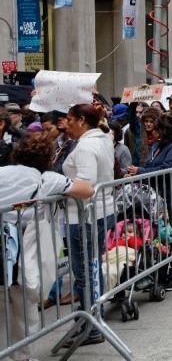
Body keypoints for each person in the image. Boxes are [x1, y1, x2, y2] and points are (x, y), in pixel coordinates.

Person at [0, 134, 95, 361]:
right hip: (22, 252)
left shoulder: (2, 172)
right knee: (25, 309)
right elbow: (87, 190)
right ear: (48, 159)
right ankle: (22, 356)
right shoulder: (47, 179)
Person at [61, 103, 116, 346]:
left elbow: (86, 185)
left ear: (81, 120)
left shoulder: (87, 145)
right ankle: (93, 319)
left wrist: (55, 185)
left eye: (69, 119)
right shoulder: (103, 137)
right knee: (91, 268)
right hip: (100, 212)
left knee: (85, 272)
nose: (66, 124)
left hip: (85, 216)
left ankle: (92, 326)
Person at [127, 115, 172, 290]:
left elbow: (166, 169)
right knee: (159, 235)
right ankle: (160, 272)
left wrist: (140, 171)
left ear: (163, 130)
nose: (151, 130)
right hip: (155, 199)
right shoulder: (156, 146)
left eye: (154, 128)